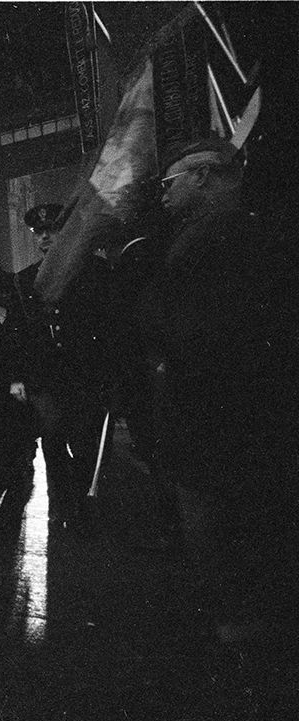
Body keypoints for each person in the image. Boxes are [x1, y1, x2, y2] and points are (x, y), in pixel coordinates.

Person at [147, 138, 299, 645]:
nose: (164, 194)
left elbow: (203, 332)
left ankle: (240, 624)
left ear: (202, 176)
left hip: (216, 410)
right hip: (230, 407)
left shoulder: (217, 236)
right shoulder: (240, 230)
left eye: (170, 183)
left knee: (220, 521)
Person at [11, 203, 113, 529]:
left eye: (52, 230)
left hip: (83, 373)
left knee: (84, 443)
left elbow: (105, 325)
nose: (44, 237)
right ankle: (59, 505)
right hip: (46, 376)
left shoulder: (91, 271)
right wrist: (19, 376)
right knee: (52, 441)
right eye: (39, 232)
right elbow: (20, 333)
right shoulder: (26, 280)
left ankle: (84, 507)